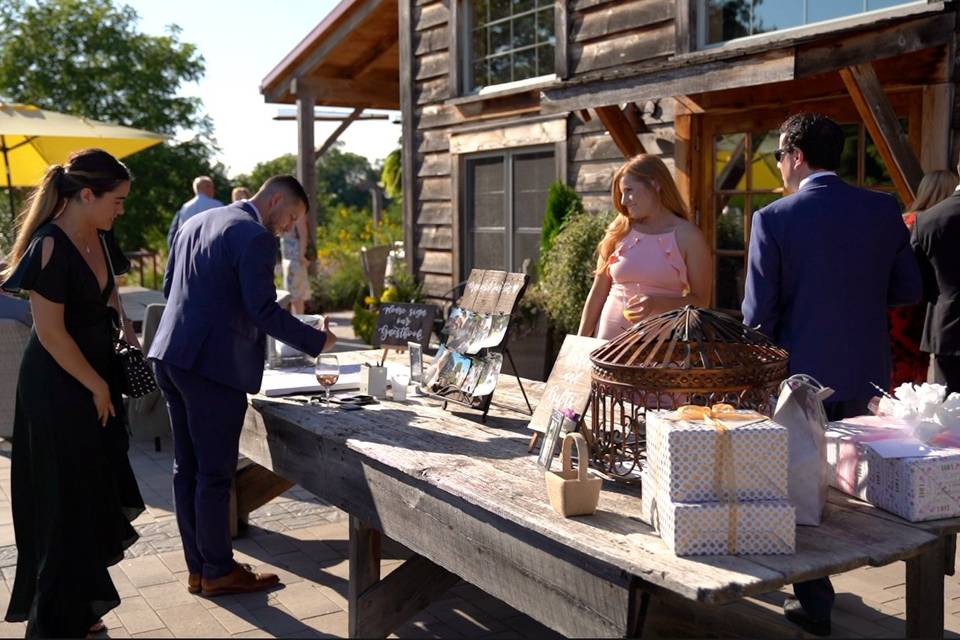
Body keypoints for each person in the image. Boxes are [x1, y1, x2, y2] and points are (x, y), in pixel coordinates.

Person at [742, 113, 921, 636]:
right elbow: (908, 290)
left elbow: (756, 318)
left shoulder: (773, 218)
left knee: (804, 486)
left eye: (778, 156)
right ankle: (898, 572)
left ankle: (816, 598)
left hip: (801, 379)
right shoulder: (883, 208)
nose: (777, 166)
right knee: (862, 483)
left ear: (795, 155)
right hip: (868, 371)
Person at [149, 175, 336, 597]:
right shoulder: (254, 236)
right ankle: (217, 570)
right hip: (211, 369)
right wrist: (316, 341)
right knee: (214, 475)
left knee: (187, 471)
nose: (288, 228)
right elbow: (263, 311)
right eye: (290, 217)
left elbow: (170, 289)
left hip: (169, 355)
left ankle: (199, 567)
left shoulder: (197, 222)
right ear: (274, 201)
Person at [0, 148, 145, 637]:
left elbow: (109, 295)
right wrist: (97, 383)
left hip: (96, 380)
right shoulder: (49, 245)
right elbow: (50, 332)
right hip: (58, 387)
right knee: (61, 505)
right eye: (117, 200)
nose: (121, 209)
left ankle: (81, 610)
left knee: (89, 497)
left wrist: (124, 330)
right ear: (87, 194)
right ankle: (55, 623)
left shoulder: (101, 234)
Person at [578, 154, 711, 339]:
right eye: (621, 194)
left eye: (629, 190)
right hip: (607, 345)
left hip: (658, 348)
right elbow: (598, 292)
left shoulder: (688, 236)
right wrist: (580, 342)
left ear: (655, 184)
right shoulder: (618, 231)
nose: (623, 201)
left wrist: (656, 303)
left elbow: (702, 301)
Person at [890, 170, 958, 388]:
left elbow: (915, 280)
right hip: (931, 324)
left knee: (947, 410)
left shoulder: (925, 221)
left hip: (940, 325)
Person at [912, 159, 960, 395]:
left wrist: (937, 297)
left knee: (951, 413)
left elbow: (915, 277)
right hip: (946, 326)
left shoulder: (927, 220)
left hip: (947, 326)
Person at [166, 175, 223, 248]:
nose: (213, 190)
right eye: (212, 187)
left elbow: (180, 232)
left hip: (188, 248)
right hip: (210, 249)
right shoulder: (217, 205)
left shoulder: (185, 207)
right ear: (207, 187)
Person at [280, 208, 311, 315]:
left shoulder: (299, 212)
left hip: (296, 258)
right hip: (288, 259)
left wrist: (302, 255)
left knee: (297, 295)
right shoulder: (288, 210)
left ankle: (299, 322)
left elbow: (303, 234)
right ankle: (297, 320)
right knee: (292, 296)